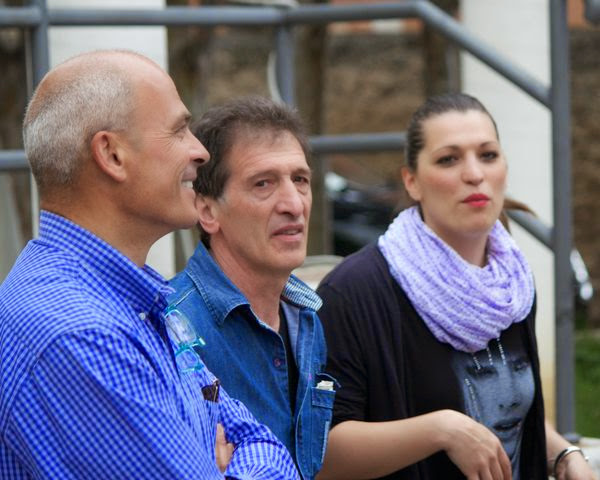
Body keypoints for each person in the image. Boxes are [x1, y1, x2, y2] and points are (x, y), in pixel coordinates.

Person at [0, 50, 299, 480]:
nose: (200, 151)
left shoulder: (128, 301)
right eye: (179, 131)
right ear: (112, 155)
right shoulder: (83, 335)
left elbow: (258, 440)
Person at [315, 93, 597, 480]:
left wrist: (563, 453)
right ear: (411, 181)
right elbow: (321, 451)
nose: (474, 173)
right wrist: (440, 430)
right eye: (449, 159)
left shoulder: (510, 283)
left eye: (488, 155)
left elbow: (508, 408)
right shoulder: (353, 292)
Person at [168, 96, 335, 480]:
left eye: (300, 180)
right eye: (263, 184)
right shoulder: (174, 326)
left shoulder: (306, 319)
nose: (294, 204)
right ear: (207, 211)